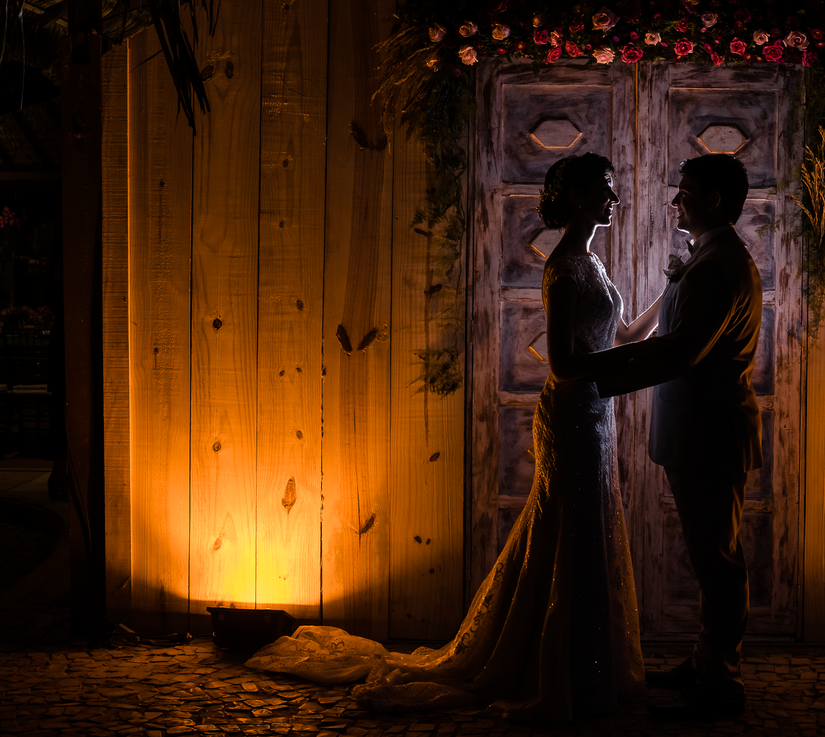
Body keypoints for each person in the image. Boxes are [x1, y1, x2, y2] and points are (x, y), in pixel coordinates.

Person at [246, 153, 659, 721]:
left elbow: (627, 334)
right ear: (579, 197)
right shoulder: (564, 267)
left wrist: (668, 296)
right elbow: (564, 364)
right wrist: (628, 362)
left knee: (588, 530)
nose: (614, 199)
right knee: (568, 532)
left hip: (597, 416)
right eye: (606, 189)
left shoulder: (593, 263)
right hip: (570, 416)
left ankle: (586, 668)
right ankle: (547, 669)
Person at [590, 153, 761, 720]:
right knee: (709, 555)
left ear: (714, 199)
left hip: (709, 431)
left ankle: (722, 680)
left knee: (717, 560)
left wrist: (594, 375)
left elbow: (684, 351)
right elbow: (660, 333)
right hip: (699, 429)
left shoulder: (717, 266)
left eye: (684, 192)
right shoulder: (709, 257)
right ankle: (707, 661)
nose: (674, 201)